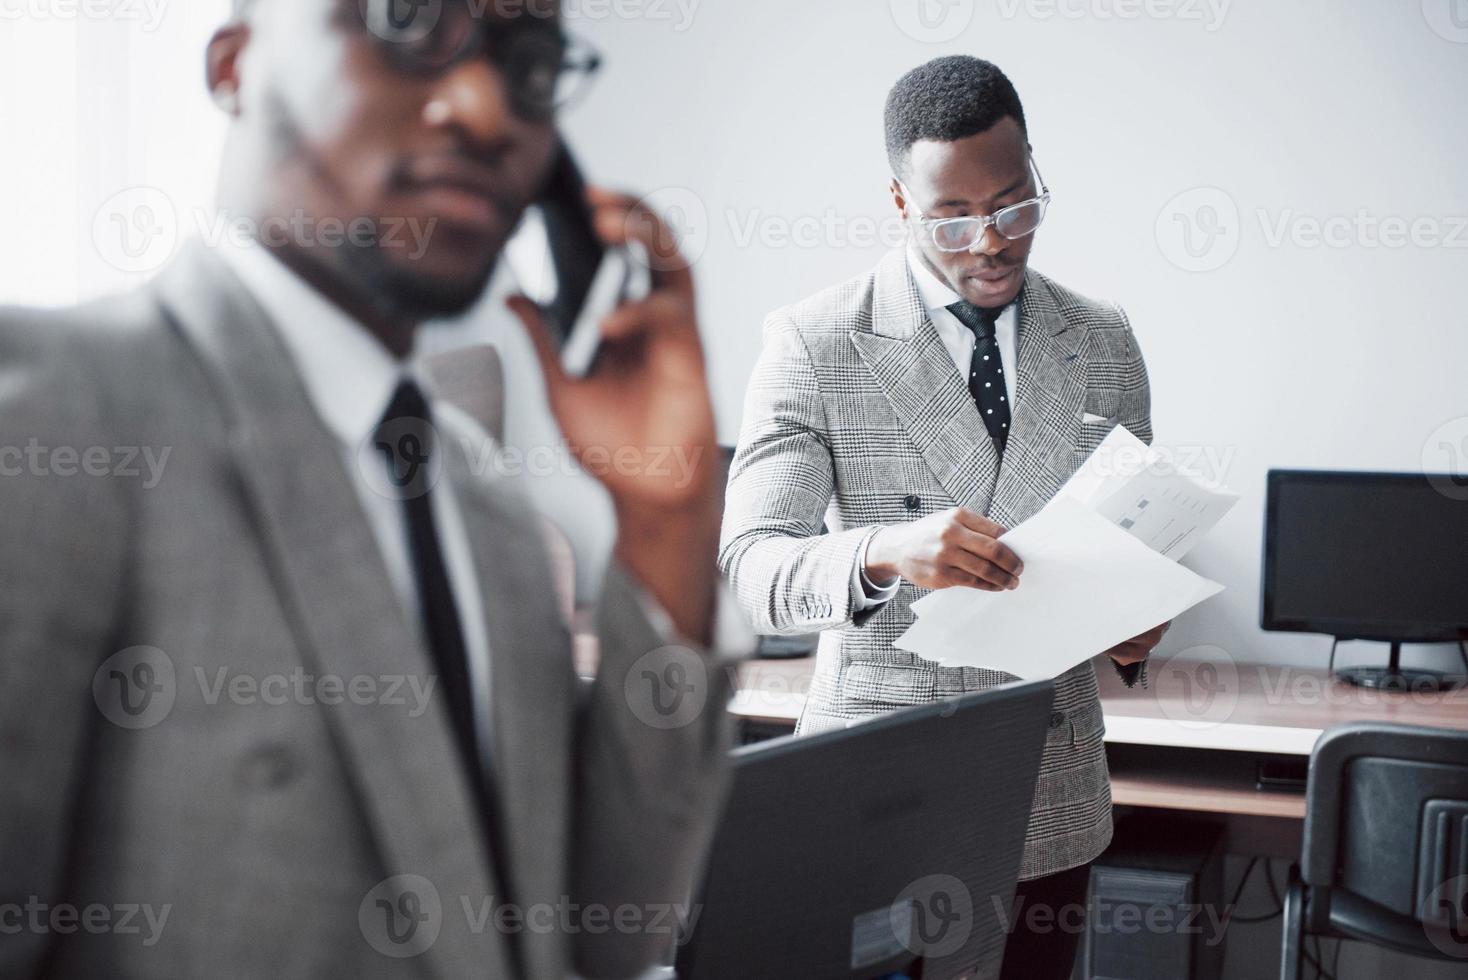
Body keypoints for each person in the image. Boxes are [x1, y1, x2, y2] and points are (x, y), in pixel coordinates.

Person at [0, 2, 732, 977]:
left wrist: (664, 518)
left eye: (527, 60)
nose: (483, 106)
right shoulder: (55, 416)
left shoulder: (491, 513)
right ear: (233, 64)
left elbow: (606, 935)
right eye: (404, 18)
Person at [720, 55, 1167, 979]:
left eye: (1013, 205)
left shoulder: (1103, 338)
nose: (990, 242)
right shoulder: (815, 342)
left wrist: (1138, 626)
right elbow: (751, 574)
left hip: (1051, 784)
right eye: (952, 216)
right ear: (899, 201)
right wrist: (885, 552)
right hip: (882, 787)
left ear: (1036, 170)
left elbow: (1135, 535)